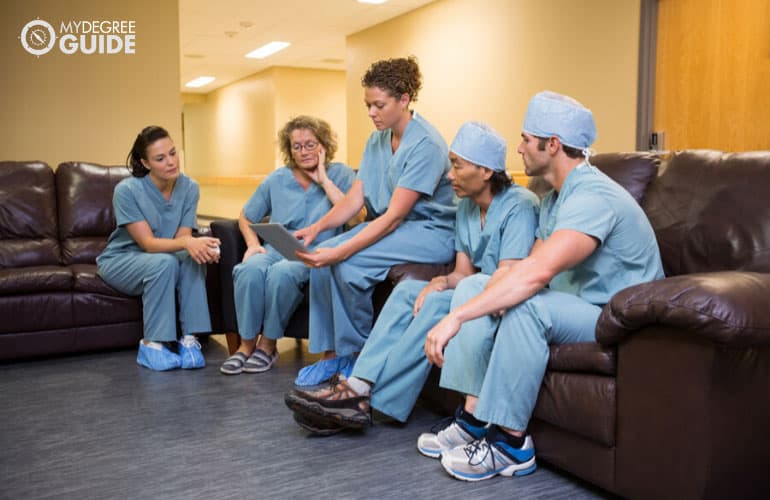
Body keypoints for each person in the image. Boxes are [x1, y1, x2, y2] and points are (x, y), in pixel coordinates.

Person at [418, 91, 665, 481]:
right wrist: (482, 291)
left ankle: (511, 446)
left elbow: (535, 277)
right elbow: (526, 267)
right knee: (477, 286)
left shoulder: (592, 196)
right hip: (575, 304)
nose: (517, 149)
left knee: (524, 305)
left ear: (552, 145)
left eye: (525, 140)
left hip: (615, 317)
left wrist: (457, 319)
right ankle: (472, 421)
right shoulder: (554, 200)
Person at [285, 121, 540, 435]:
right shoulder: (466, 208)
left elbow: (506, 280)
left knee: (433, 306)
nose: (448, 175)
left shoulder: (520, 206)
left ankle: (375, 404)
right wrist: (438, 282)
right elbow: (462, 273)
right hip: (472, 289)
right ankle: (357, 385)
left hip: (501, 299)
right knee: (409, 292)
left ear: (486, 171)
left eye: (457, 166)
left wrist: (444, 293)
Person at [290, 56, 457, 387]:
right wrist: (318, 227)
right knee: (321, 257)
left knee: (347, 265)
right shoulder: (376, 140)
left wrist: (342, 252)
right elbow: (355, 199)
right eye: (368, 105)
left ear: (404, 99)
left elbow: (395, 217)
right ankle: (331, 353)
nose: (371, 113)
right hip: (396, 224)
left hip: (431, 231)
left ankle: (360, 357)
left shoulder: (426, 144)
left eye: (378, 105)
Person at [219, 116, 357, 375]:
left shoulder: (341, 174)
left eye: (310, 144)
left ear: (323, 145)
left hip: (317, 253)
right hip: (277, 248)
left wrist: (324, 180)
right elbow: (247, 215)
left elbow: (355, 217)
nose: (303, 152)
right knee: (248, 269)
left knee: (283, 273)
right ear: (288, 149)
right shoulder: (277, 179)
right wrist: (251, 245)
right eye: (296, 146)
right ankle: (246, 346)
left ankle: (268, 345)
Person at [97, 125, 221, 371]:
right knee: (167, 260)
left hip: (166, 256)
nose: (171, 162)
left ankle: (189, 340)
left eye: (173, 153)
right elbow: (148, 244)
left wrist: (200, 246)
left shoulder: (189, 187)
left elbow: (183, 238)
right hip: (123, 259)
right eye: (160, 158)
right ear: (145, 162)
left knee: (191, 257)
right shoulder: (126, 191)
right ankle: (152, 345)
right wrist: (187, 242)